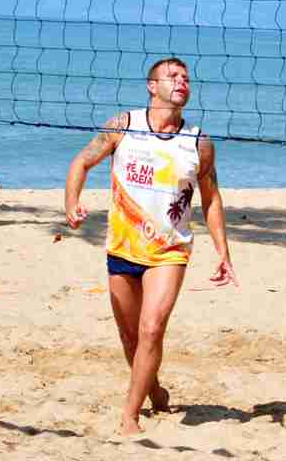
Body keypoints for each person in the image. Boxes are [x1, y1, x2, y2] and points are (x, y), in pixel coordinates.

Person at [64, 57, 237, 434]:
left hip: (169, 252)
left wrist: (224, 252)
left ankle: (129, 415)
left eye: (187, 78)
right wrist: (71, 203)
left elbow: (211, 199)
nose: (182, 82)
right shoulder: (124, 126)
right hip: (122, 248)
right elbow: (81, 163)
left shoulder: (199, 143)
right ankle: (154, 389)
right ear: (151, 86)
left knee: (151, 329)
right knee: (130, 337)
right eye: (172, 76)